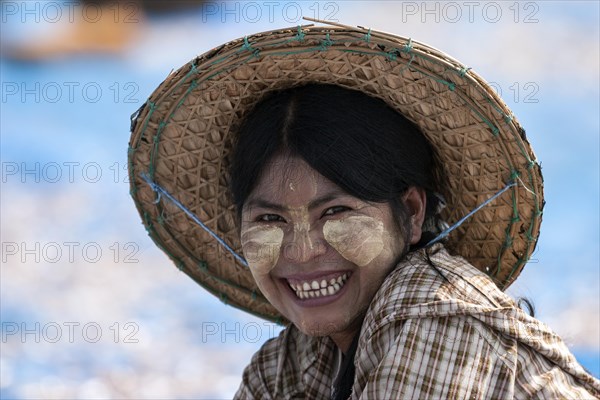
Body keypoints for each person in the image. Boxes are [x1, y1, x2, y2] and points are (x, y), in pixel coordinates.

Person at [128, 20, 600, 399]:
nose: (304, 252)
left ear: (412, 213)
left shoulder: (436, 319)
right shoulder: (291, 364)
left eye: (334, 213)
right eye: (270, 220)